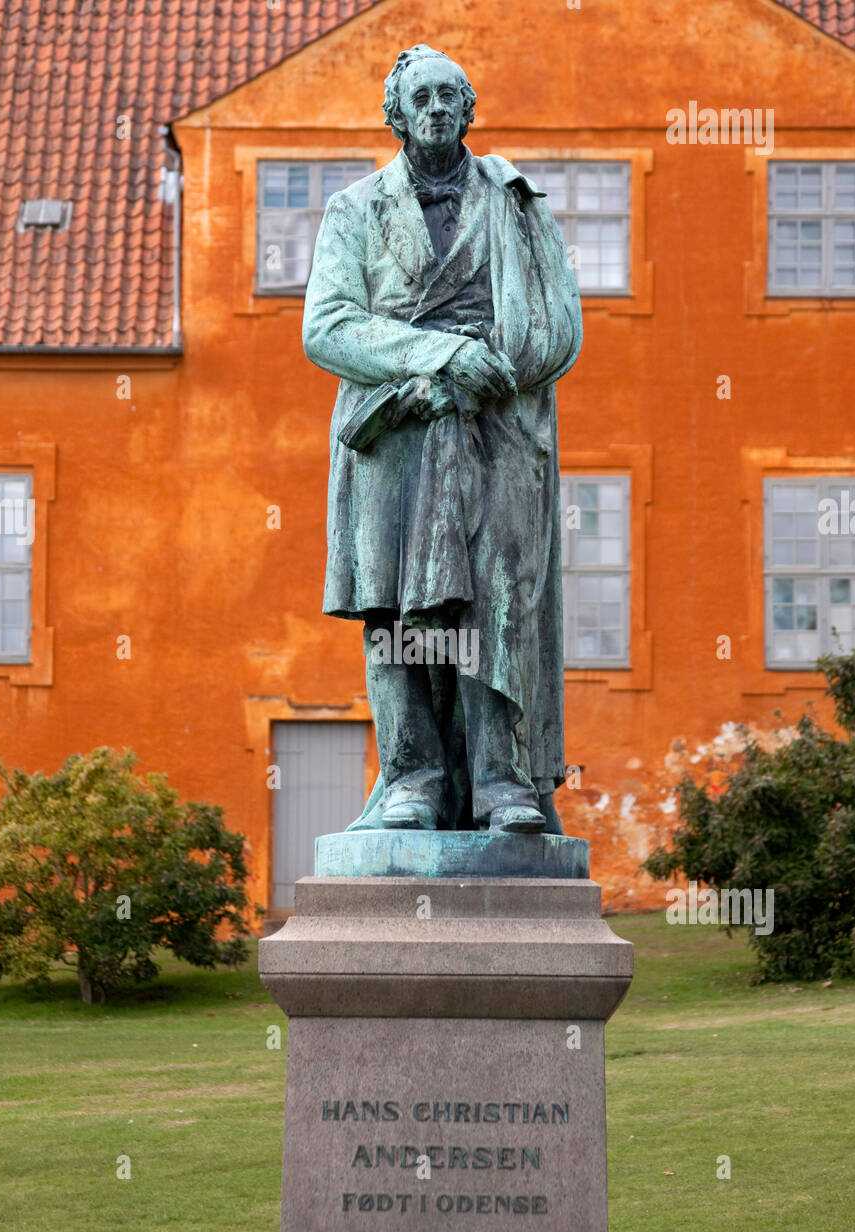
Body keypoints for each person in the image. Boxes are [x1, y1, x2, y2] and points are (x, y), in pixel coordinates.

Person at [303, 44, 583, 833]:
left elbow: (562, 323)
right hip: (391, 437)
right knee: (389, 607)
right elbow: (327, 327)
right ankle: (412, 780)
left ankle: (502, 782)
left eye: (447, 97)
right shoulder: (355, 211)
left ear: (469, 110)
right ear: (394, 116)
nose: (433, 109)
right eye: (418, 98)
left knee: (492, 603)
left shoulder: (519, 207)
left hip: (494, 430)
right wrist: (441, 352)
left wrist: (489, 367)